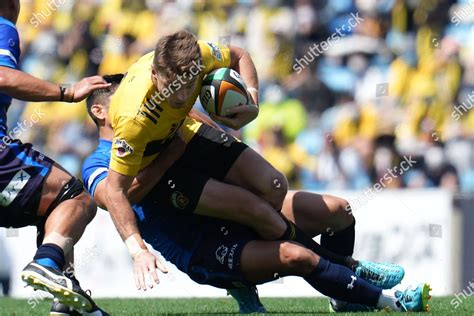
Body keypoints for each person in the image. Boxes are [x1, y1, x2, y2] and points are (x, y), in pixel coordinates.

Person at [80, 74, 431, 313]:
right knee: (300, 257)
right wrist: (172, 154)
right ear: (100, 111)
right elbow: (116, 197)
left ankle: (344, 297)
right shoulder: (96, 164)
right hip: (202, 247)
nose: (134, 102)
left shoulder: (158, 126)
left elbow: (207, 130)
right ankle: (382, 297)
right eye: (121, 98)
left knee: (338, 211)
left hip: (237, 210)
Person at [104, 30, 389, 290]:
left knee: (275, 185)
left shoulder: (200, 55)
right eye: (172, 86)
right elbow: (116, 191)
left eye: (188, 85)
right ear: (154, 73)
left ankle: (263, 253)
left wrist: (252, 100)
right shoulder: (134, 117)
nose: (180, 95)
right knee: (250, 206)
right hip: (163, 166)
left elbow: (240, 55)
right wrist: (138, 250)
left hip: (186, 134)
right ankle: (336, 270)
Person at [0, 0, 110, 313]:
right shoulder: (2, 25)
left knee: (48, 207)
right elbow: (3, 77)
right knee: (75, 198)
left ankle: (67, 297)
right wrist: (66, 92)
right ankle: (48, 263)